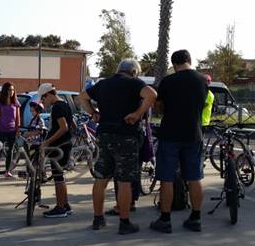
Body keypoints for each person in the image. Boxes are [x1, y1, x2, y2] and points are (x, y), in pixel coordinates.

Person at [79, 59, 157, 234]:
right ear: (134, 72)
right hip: (127, 136)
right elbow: (151, 94)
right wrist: (137, 114)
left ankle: (98, 219)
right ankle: (124, 222)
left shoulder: (103, 84)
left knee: (101, 179)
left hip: (104, 135)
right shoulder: (134, 83)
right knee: (124, 182)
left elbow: (82, 97)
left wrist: (93, 113)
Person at [151, 49, 207, 234]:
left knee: (166, 177)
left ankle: (165, 219)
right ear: (190, 60)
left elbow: (159, 108)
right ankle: (196, 217)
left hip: (170, 134)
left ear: (173, 64)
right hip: (193, 134)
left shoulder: (168, 81)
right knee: (194, 178)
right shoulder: (201, 80)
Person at [38, 83, 75, 218]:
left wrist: (47, 142)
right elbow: (73, 125)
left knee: (58, 177)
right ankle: (65, 205)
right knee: (60, 177)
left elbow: (64, 127)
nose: (43, 102)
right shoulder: (65, 104)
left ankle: (60, 208)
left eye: (43, 99)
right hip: (66, 144)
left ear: (48, 95)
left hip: (59, 146)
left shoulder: (57, 107)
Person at [0, 82, 20, 180]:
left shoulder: (15, 102)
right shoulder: (0, 103)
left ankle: (7, 171)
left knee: (10, 150)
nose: (11, 92)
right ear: (5, 91)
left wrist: (18, 129)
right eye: (9, 90)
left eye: (12, 90)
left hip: (12, 130)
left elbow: (18, 117)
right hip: (2, 130)